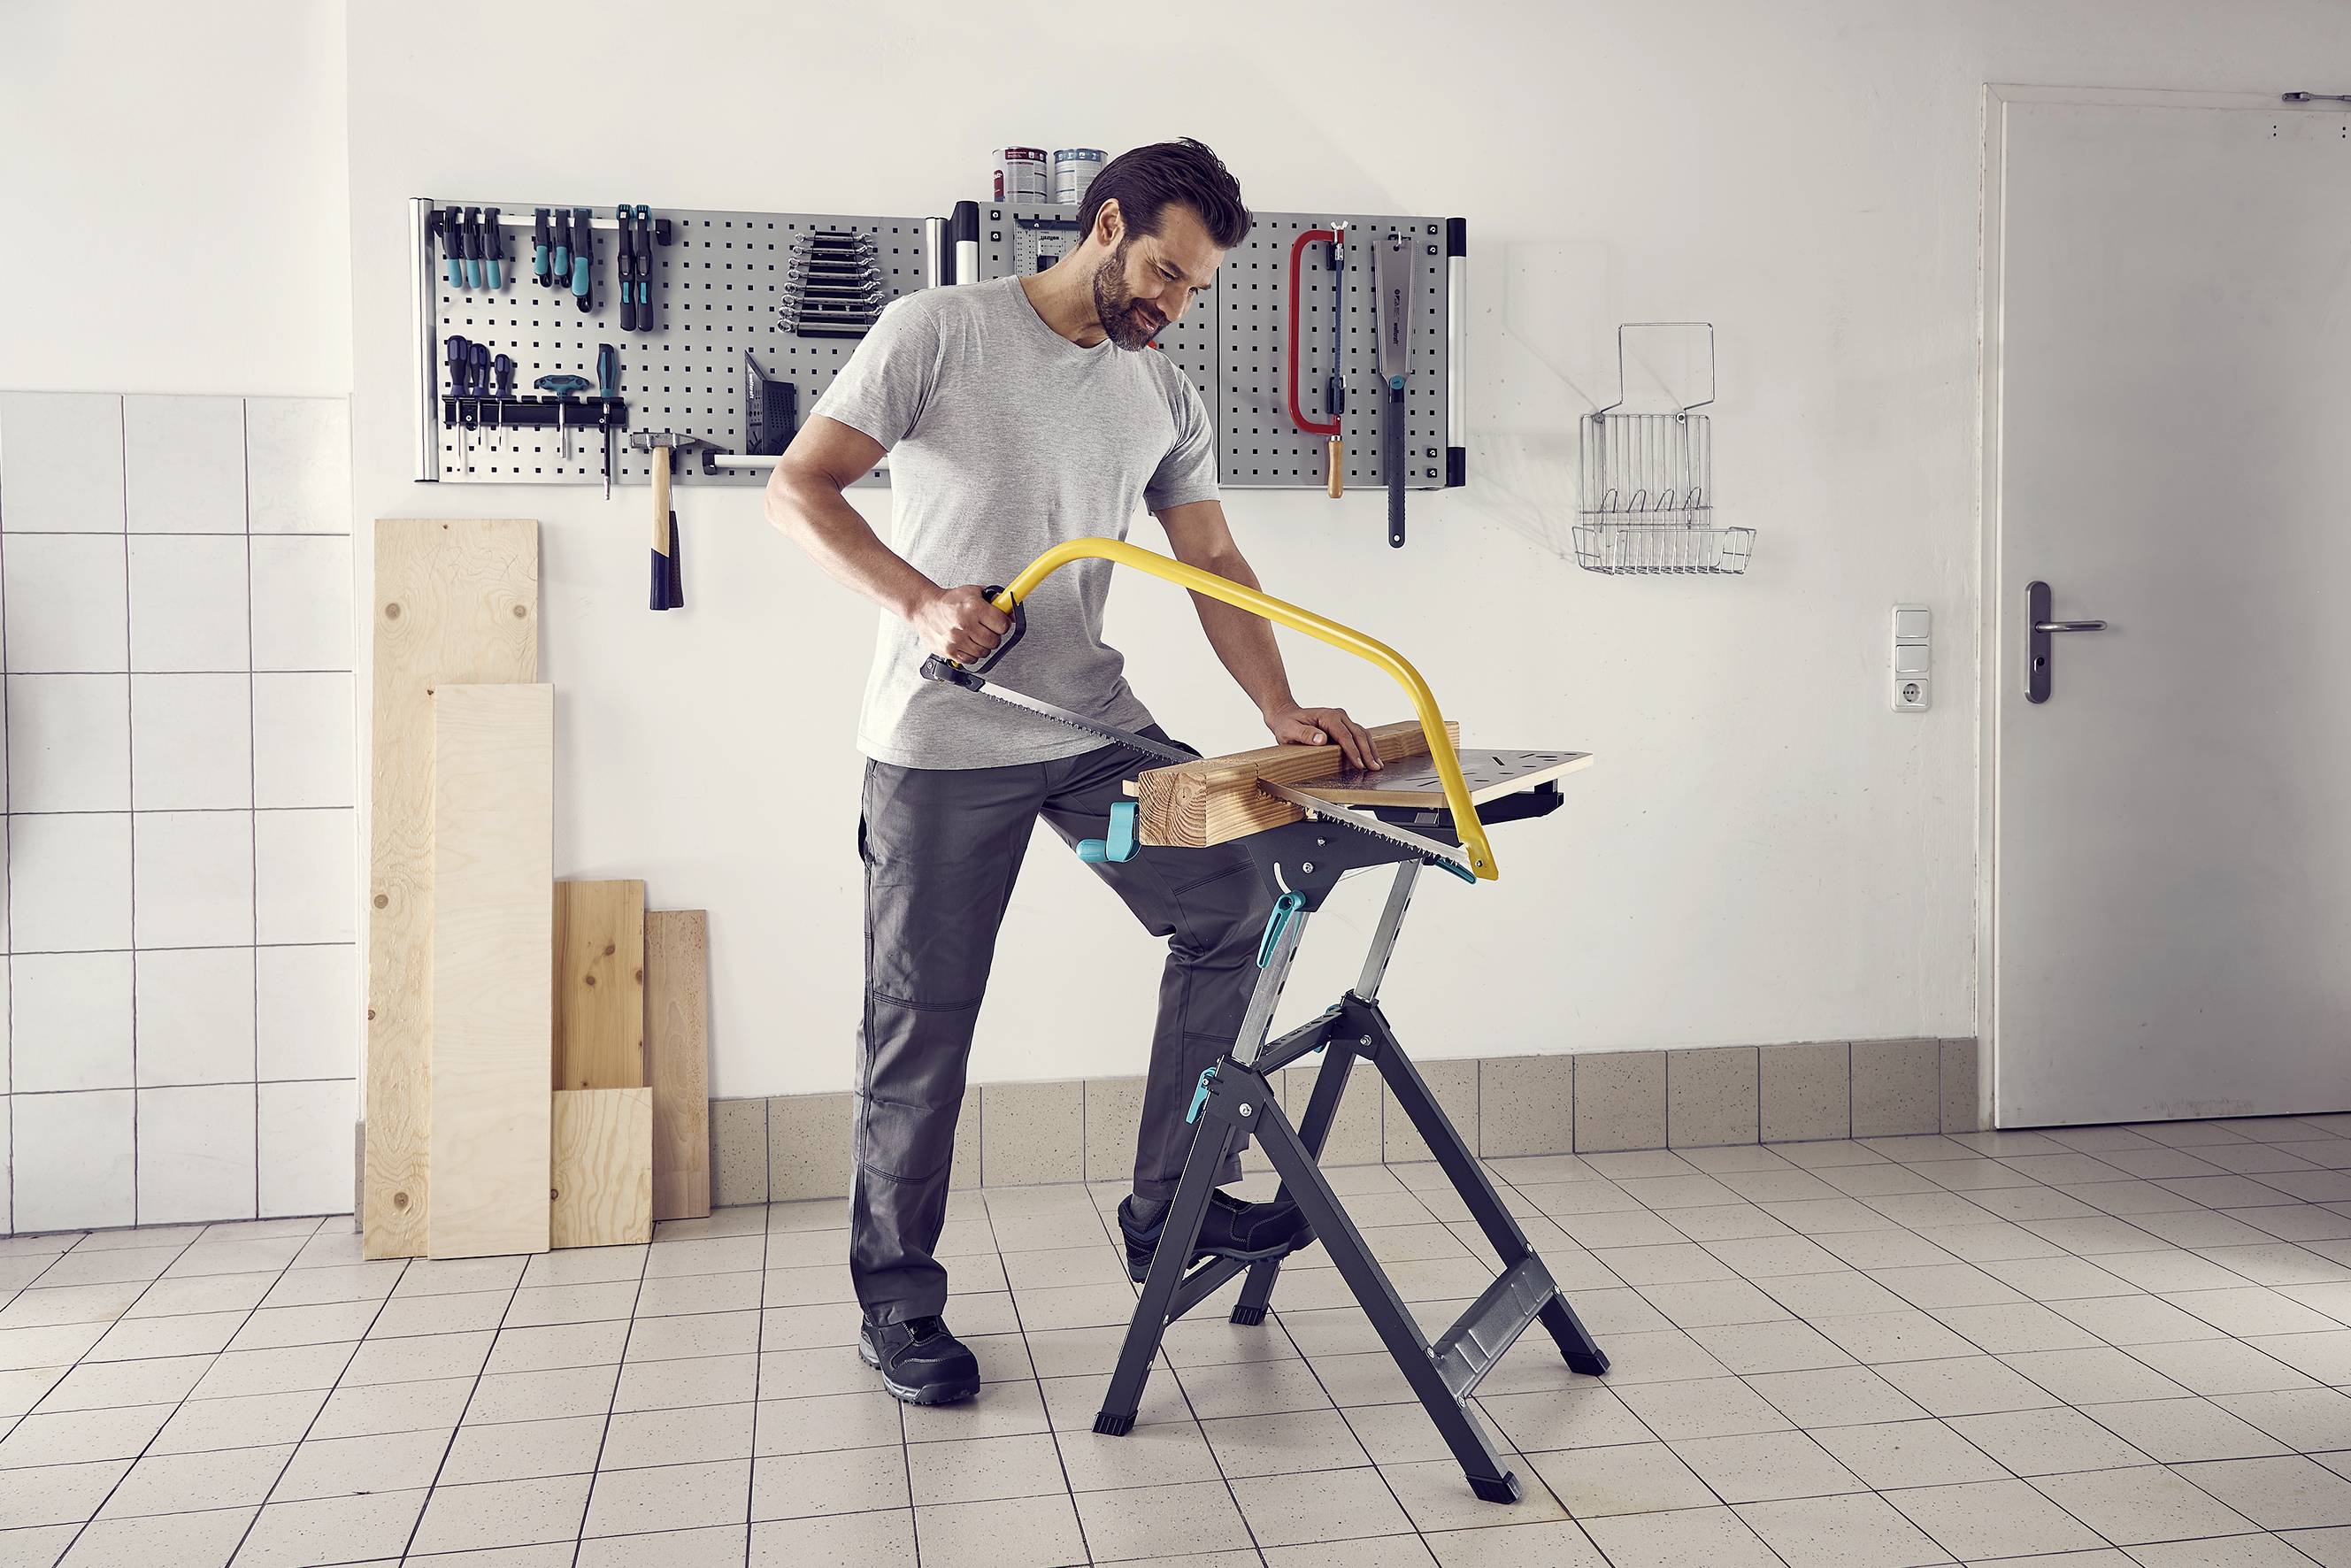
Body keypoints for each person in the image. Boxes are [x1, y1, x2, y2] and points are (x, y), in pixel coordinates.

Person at [764, 138, 1380, 1407]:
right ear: (1104, 227)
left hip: (1086, 735)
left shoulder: (1160, 393)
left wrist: (1276, 703)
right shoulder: (937, 330)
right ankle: (898, 1303)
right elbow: (800, 489)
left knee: (1234, 909)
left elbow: (1214, 565)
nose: (1170, 303)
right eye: (1160, 270)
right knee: (922, 1026)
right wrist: (921, 603)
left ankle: (1171, 1205)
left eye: (1193, 288)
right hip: (941, 748)